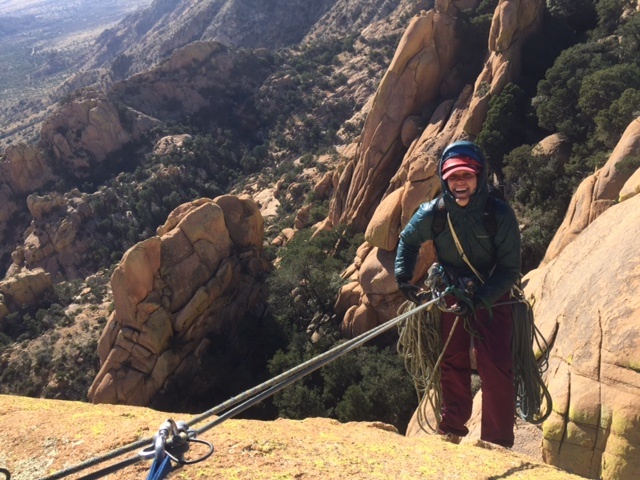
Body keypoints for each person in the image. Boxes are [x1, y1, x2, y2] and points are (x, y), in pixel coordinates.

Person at [394, 140, 521, 448]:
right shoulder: (433, 214)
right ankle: (452, 428)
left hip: (492, 293)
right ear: (444, 179)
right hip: (452, 292)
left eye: (466, 175)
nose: (460, 182)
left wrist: (480, 299)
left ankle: (497, 441)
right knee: (452, 360)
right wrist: (403, 276)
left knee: (496, 366)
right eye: (453, 177)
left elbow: (509, 270)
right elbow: (408, 241)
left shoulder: (498, 215)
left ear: (479, 176)